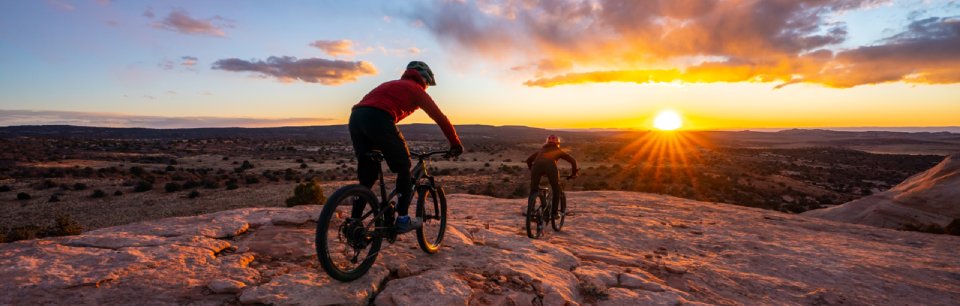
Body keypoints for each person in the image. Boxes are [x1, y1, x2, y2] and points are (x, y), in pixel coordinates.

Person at [349, 61, 463, 233]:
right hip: (379, 118)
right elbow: (440, 118)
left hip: (356, 118)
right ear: (425, 79)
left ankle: (354, 222)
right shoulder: (416, 89)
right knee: (404, 165)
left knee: (367, 176)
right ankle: (402, 218)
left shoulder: (390, 84)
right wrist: (455, 143)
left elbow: (369, 107)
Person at [526, 135, 579, 218]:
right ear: (557, 143)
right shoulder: (557, 150)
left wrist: (531, 169)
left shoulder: (541, 150)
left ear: (547, 142)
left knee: (533, 190)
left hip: (536, 167)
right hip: (550, 167)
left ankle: (531, 212)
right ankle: (554, 213)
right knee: (556, 189)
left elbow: (529, 160)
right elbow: (573, 161)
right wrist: (574, 173)